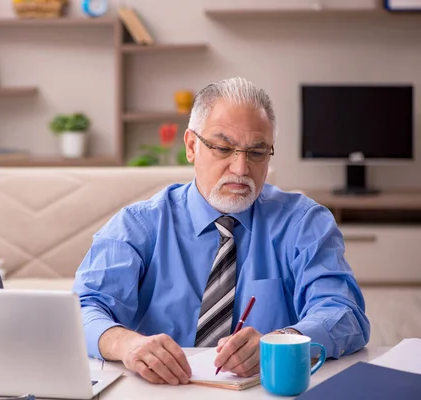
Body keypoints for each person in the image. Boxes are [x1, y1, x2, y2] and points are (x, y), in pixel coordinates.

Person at [72, 77, 370, 386]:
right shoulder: (138, 225)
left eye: (256, 153)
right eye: (224, 148)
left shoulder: (304, 222)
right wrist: (126, 344)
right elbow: (82, 310)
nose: (241, 169)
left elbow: (344, 313)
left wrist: (283, 339)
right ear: (191, 146)